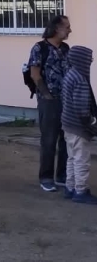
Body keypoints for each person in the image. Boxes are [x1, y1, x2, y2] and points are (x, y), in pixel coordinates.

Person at [28, 15, 71, 192]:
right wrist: (47, 96)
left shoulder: (66, 48)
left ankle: (62, 175)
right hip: (49, 101)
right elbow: (35, 74)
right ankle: (46, 177)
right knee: (49, 139)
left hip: (67, 99)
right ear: (56, 29)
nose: (69, 30)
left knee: (66, 139)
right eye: (66, 27)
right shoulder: (40, 48)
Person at [60, 45, 97, 204]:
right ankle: (80, 191)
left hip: (68, 125)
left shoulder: (69, 75)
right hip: (78, 127)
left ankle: (70, 187)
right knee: (82, 159)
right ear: (82, 59)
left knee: (72, 158)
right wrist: (92, 123)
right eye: (89, 58)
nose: (92, 60)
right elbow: (82, 110)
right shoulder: (81, 80)